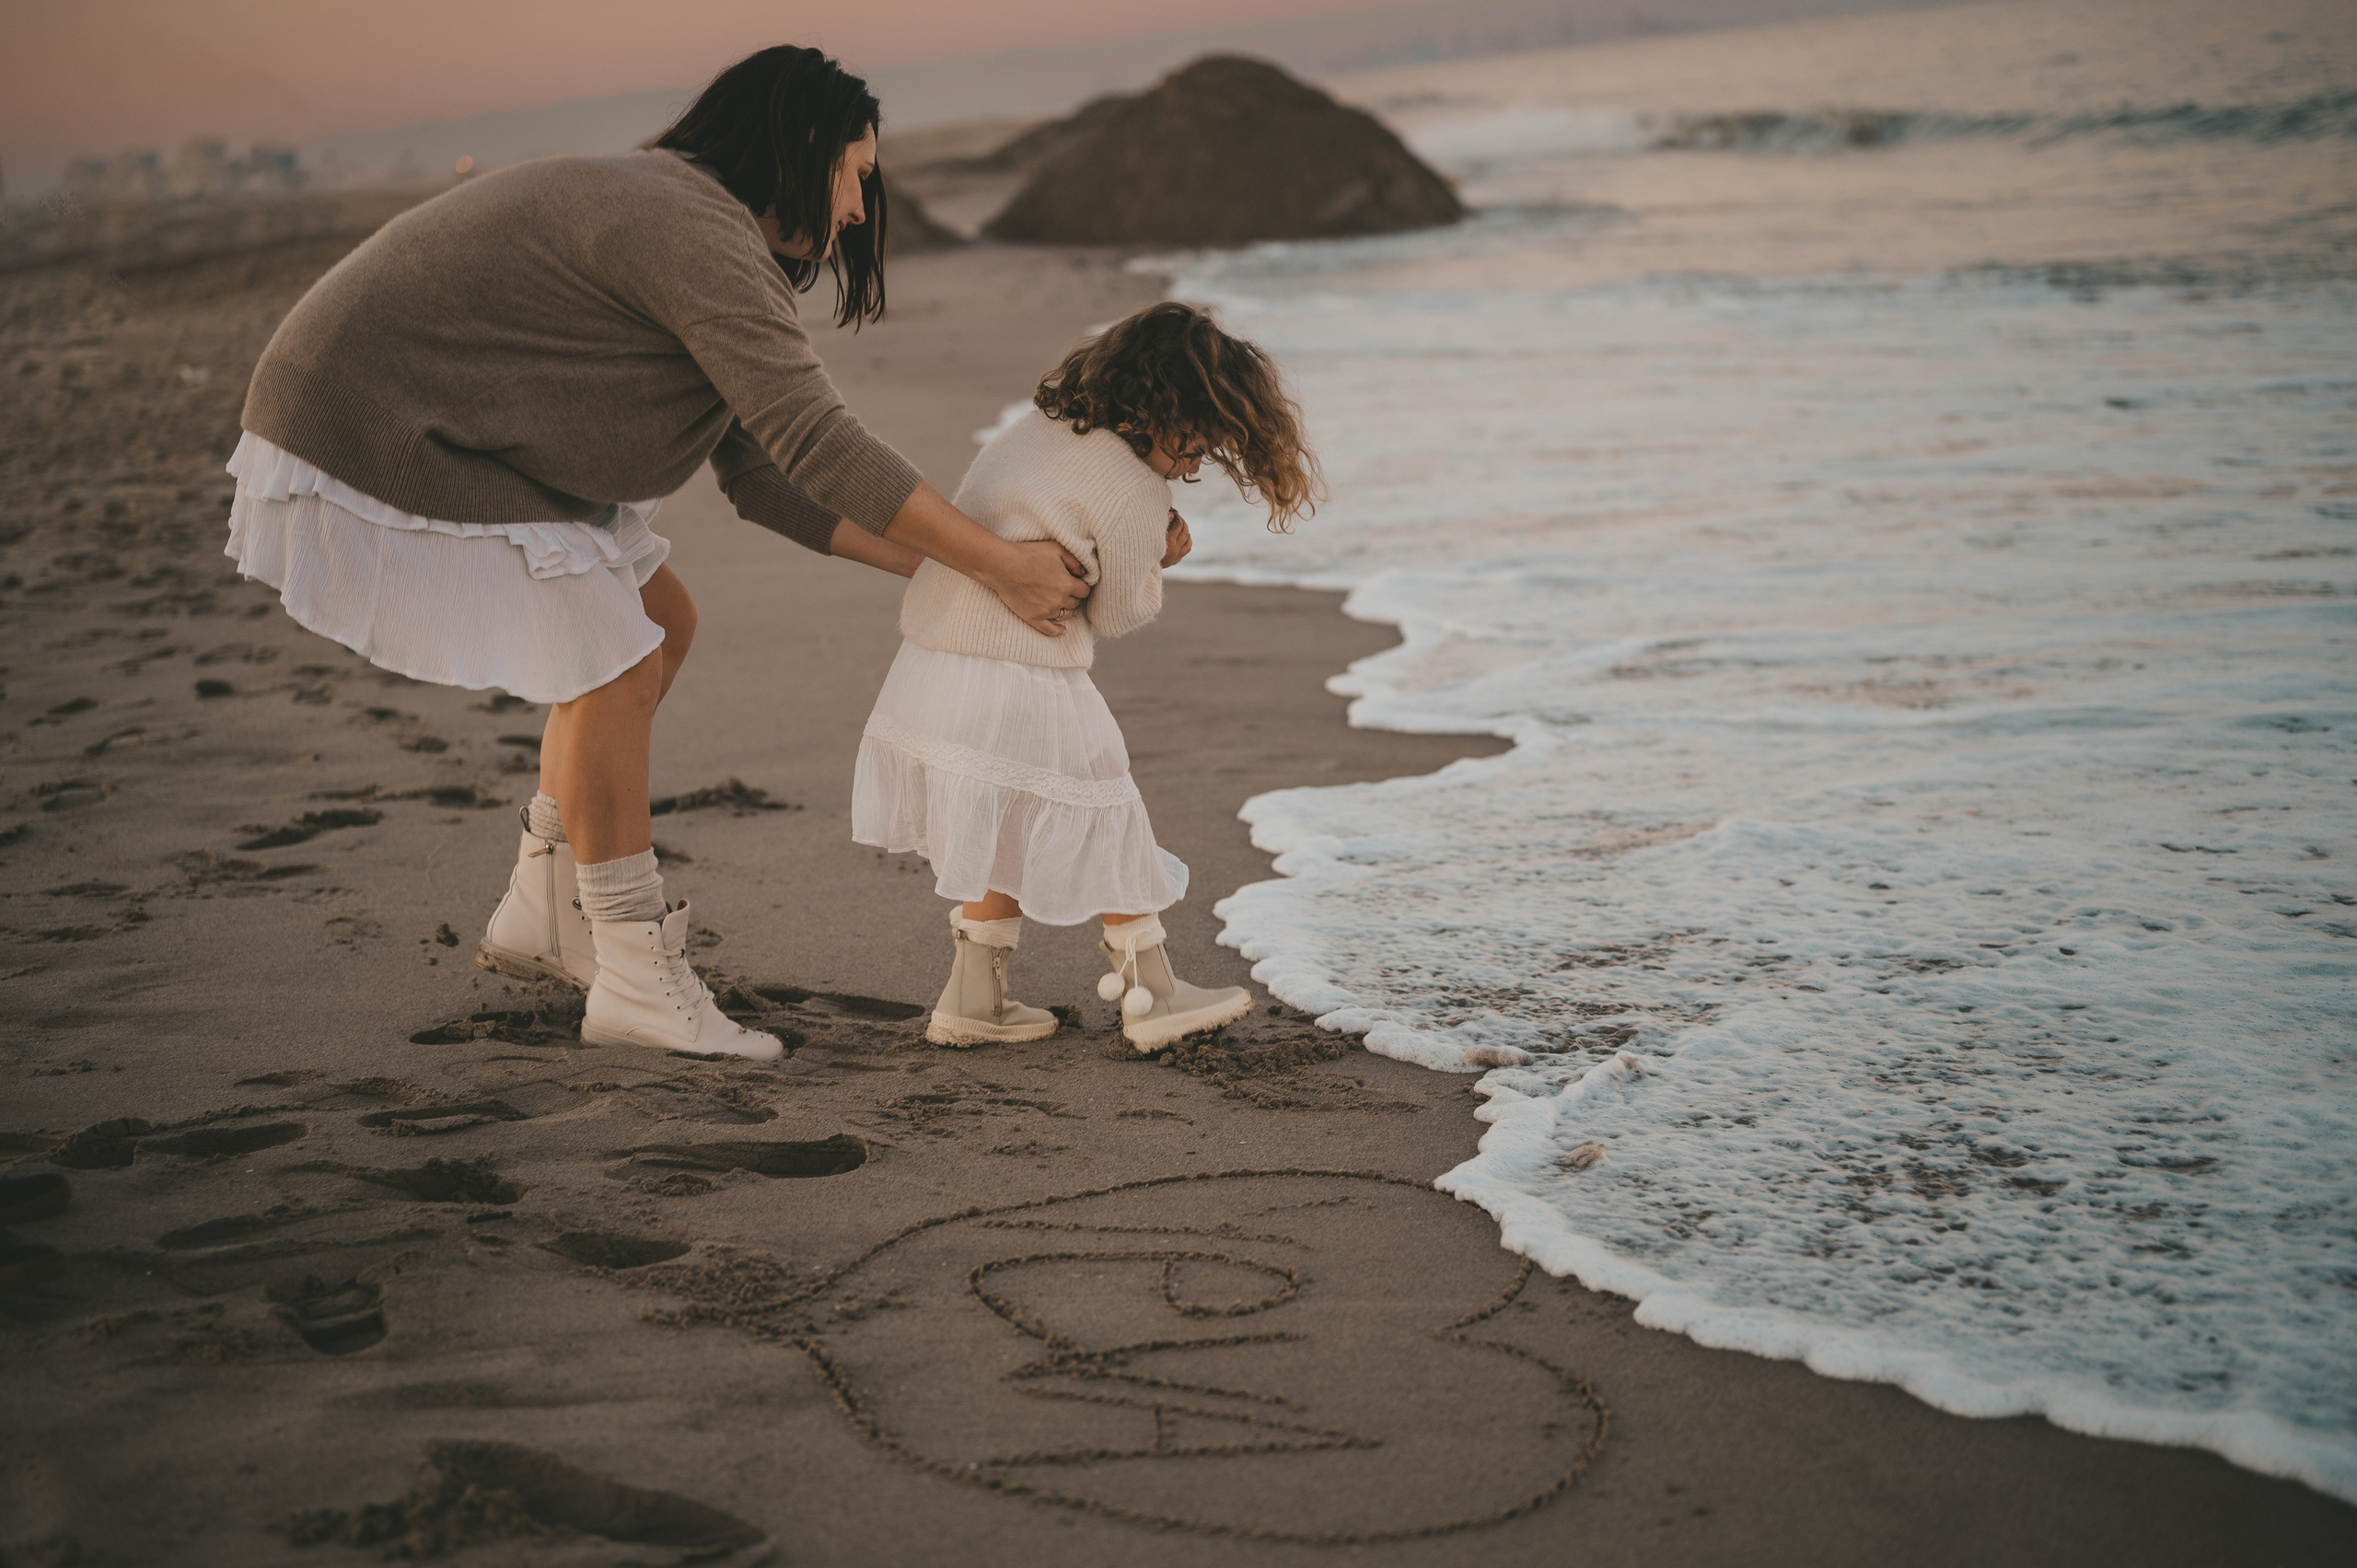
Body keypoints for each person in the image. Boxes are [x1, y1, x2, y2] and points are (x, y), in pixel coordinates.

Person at [224, 47, 1090, 1063]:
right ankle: (635, 970)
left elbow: (768, 476)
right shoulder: (692, 226)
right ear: (799, 146)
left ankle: (548, 909)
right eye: (855, 174)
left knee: (658, 621)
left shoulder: (696, 226)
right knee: (619, 658)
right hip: (373, 418)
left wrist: (957, 568)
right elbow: (818, 440)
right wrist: (994, 560)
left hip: (425, 415)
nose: (860, 209)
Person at [852, 302, 1321, 1051]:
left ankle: (974, 994)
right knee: (1107, 810)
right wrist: (1159, 558)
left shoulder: (1037, 428)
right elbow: (1118, 611)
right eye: (1197, 440)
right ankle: (1152, 993)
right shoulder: (1132, 486)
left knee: (1004, 812)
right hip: (1021, 670)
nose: (1195, 460)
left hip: (934, 661)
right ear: (1171, 414)